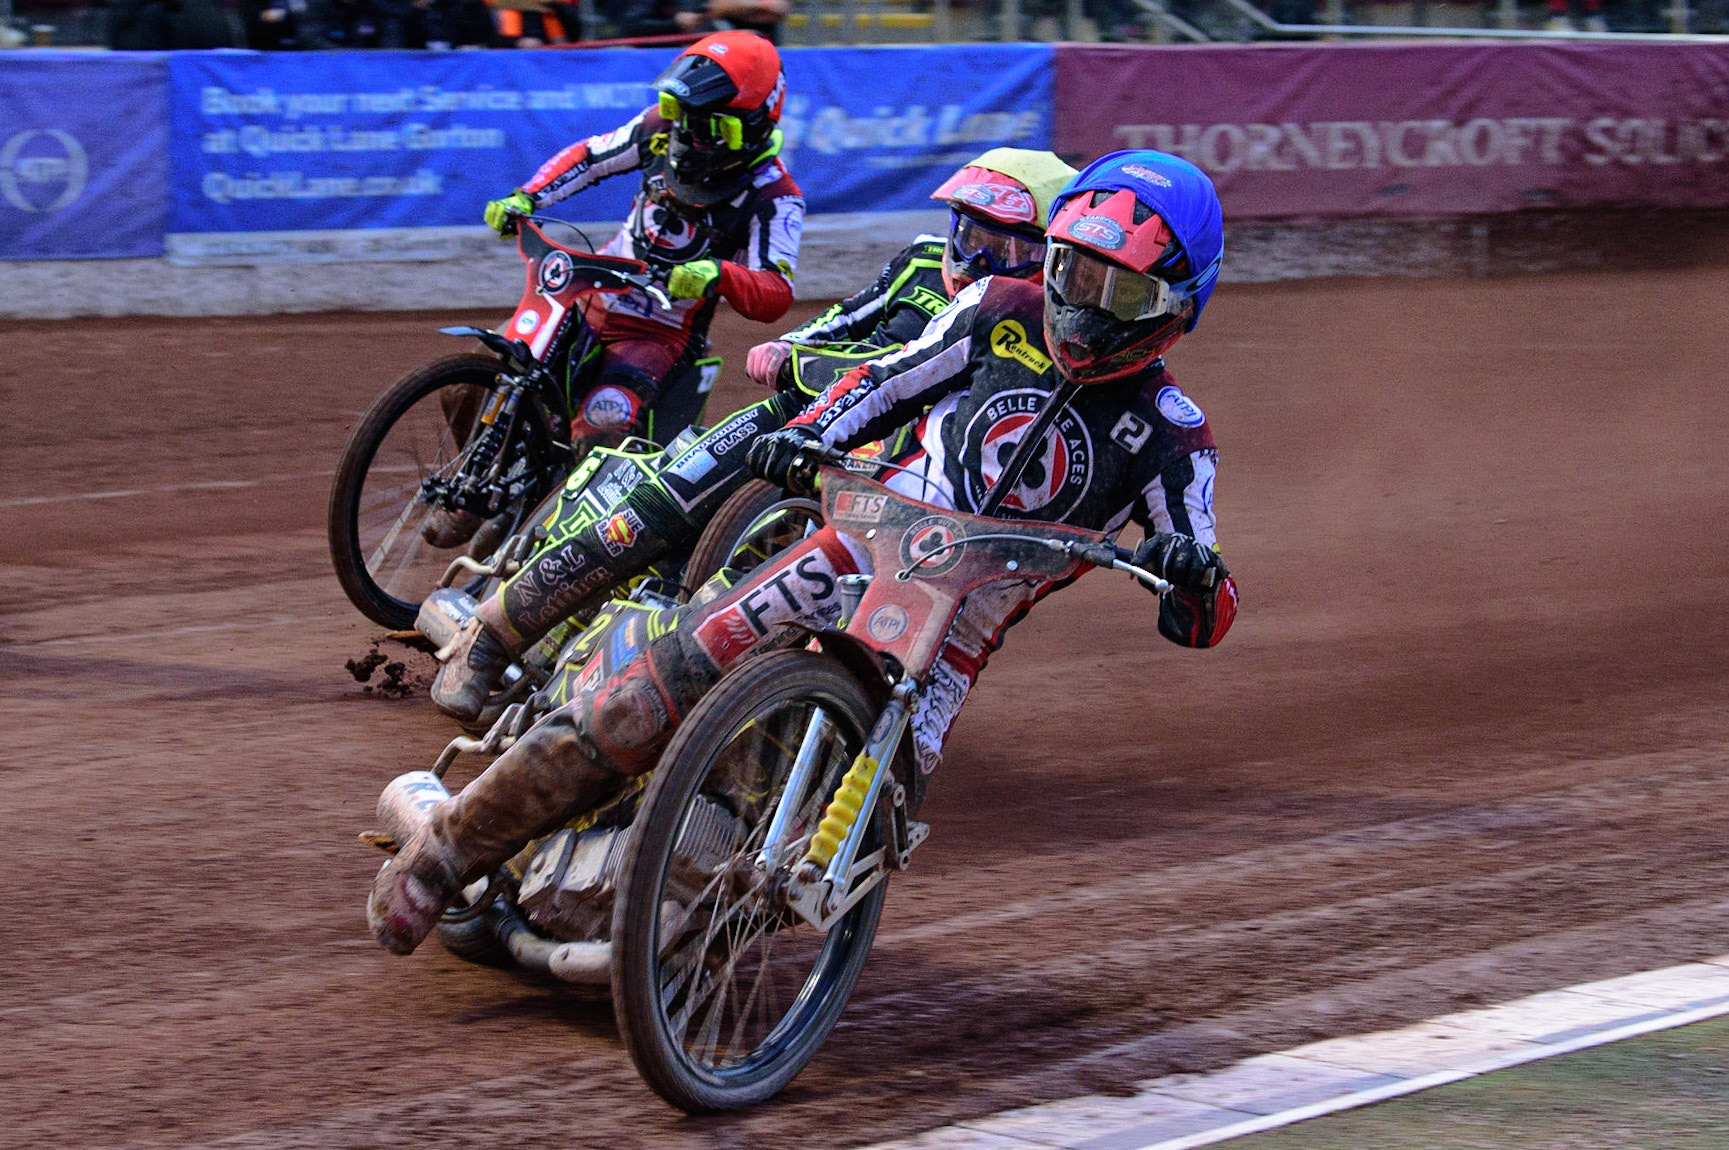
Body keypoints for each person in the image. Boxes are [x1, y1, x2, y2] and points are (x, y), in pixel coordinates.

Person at [370, 148, 1240, 955]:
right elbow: (881, 380)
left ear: (1174, 307)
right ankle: (445, 853)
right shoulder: (992, 308)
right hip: (850, 547)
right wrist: (810, 433)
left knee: (824, 833)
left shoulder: (1172, 439)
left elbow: (1206, 603)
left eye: (1115, 292)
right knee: (647, 693)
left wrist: (1192, 579)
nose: (1082, 305)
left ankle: (675, 937)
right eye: (1070, 272)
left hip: (947, 644)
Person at [428, 148, 1080, 723]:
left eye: (1010, 250)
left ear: (1052, 257)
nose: (980, 260)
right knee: (653, 508)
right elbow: (829, 326)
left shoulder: (1051, 341)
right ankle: (486, 642)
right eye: (969, 235)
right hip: (805, 420)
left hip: (900, 482)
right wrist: (788, 350)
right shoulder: (919, 264)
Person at [423, 31, 802, 548]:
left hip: (660, 335)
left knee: (601, 431)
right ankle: (488, 491)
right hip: (588, 297)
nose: (685, 130)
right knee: (469, 382)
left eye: (704, 122)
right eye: (677, 109)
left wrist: (716, 273)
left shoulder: (775, 196)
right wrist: (527, 197)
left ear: (750, 126)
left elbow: (776, 290)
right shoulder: (659, 130)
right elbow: (589, 156)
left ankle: (546, 549)